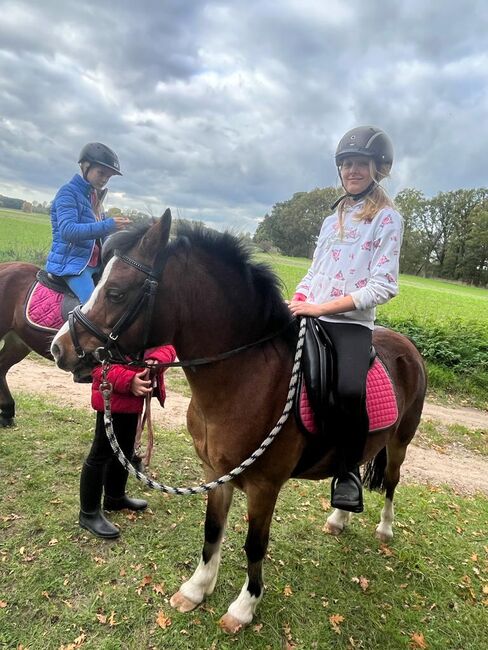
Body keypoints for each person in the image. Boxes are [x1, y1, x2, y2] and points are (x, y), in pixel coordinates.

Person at [288, 126, 403, 513]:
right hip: (311, 312)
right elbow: (314, 272)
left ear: (377, 169)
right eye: (347, 164)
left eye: (361, 164)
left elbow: (384, 285)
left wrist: (323, 308)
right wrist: (301, 297)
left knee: (349, 388)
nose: (352, 171)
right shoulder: (330, 220)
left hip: (351, 324)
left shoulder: (387, 220)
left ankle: (347, 470)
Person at [79, 345, 177, 539]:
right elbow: (98, 367)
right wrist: (129, 380)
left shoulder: (150, 322)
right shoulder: (109, 325)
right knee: (100, 454)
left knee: (123, 451)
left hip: (134, 401)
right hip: (112, 399)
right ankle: (88, 513)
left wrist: (156, 361)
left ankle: (115, 497)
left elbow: (168, 346)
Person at [45, 142, 131, 304]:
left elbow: (101, 236)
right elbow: (68, 231)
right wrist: (108, 225)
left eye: (109, 176)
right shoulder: (68, 192)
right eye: (101, 173)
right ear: (85, 166)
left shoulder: (95, 199)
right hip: (73, 265)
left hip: (95, 264)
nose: (105, 179)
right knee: (95, 309)